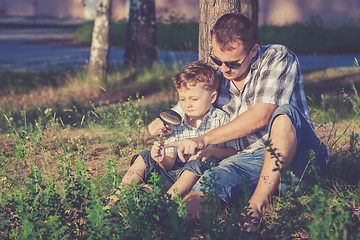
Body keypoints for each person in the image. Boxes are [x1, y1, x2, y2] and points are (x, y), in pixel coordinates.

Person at [150, 13, 329, 232]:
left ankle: (256, 207)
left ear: (253, 50)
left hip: (299, 162)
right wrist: (162, 121)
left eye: (233, 63)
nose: (224, 69)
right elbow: (181, 109)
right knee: (207, 186)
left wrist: (203, 140)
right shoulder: (218, 77)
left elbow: (261, 116)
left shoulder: (277, 57)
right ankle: (159, 222)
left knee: (284, 114)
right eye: (218, 60)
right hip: (247, 162)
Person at [119, 61, 239, 200]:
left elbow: (234, 151)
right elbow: (170, 163)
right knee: (144, 156)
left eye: (194, 99)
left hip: (197, 179)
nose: (187, 104)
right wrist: (161, 159)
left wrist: (211, 151)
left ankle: (167, 201)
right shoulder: (177, 121)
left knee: (196, 162)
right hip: (173, 175)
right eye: (182, 99)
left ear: (212, 97)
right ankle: (119, 196)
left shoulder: (221, 119)